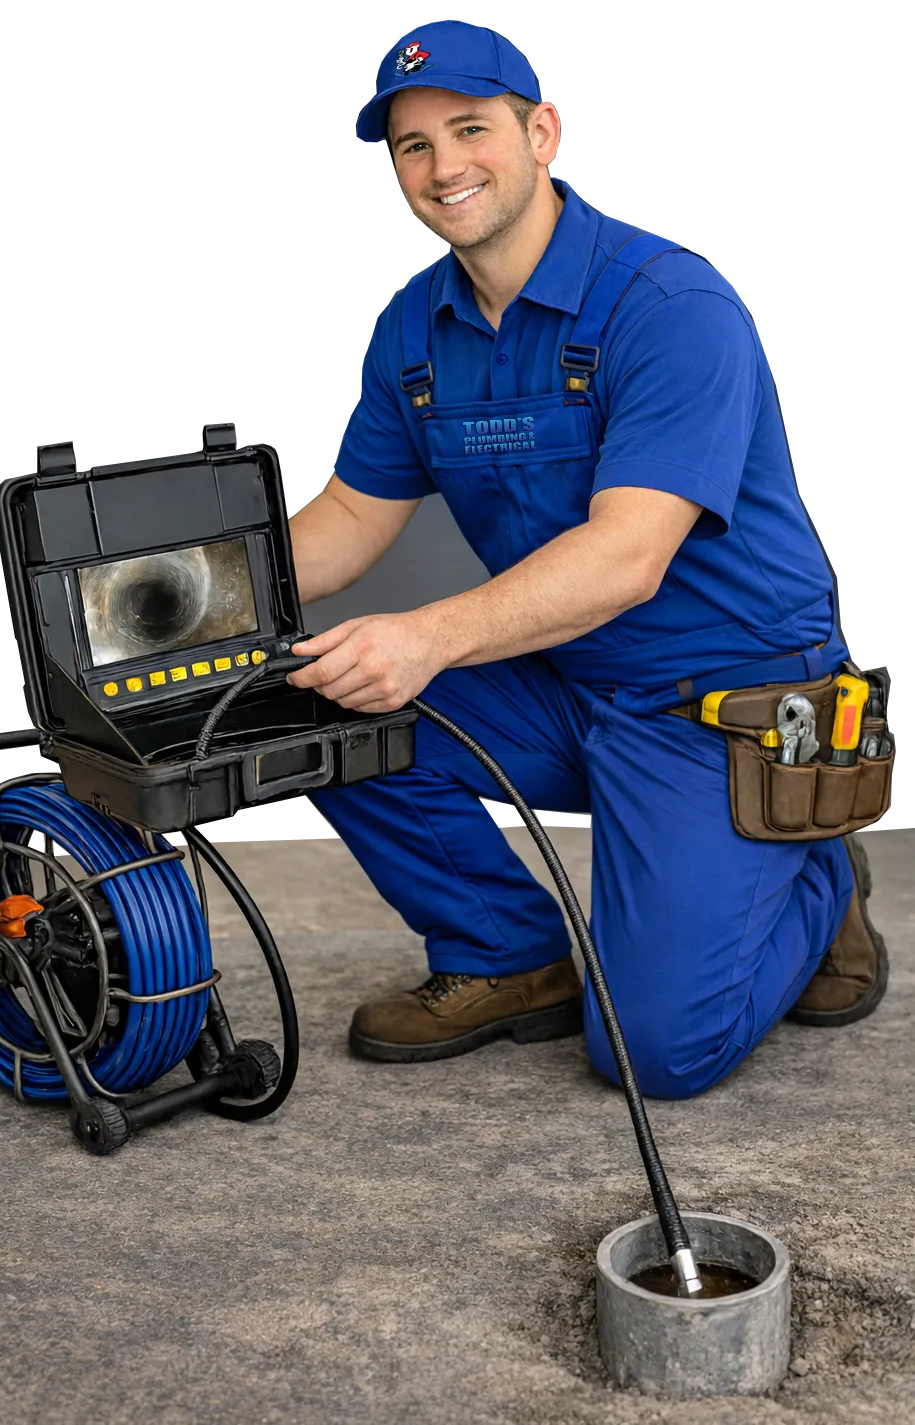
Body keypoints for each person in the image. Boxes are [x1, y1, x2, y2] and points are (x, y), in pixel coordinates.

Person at [283, 17, 889, 1099]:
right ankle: (508, 958)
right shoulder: (412, 329)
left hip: (716, 700)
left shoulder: (667, 307)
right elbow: (346, 520)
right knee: (315, 710)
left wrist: (424, 636)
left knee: (653, 1053)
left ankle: (810, 870)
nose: (441, 167)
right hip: (566, 677)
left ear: (542, 132)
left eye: (470, 130)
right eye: (412, 147)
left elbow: (623, 560)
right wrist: (174, 590)